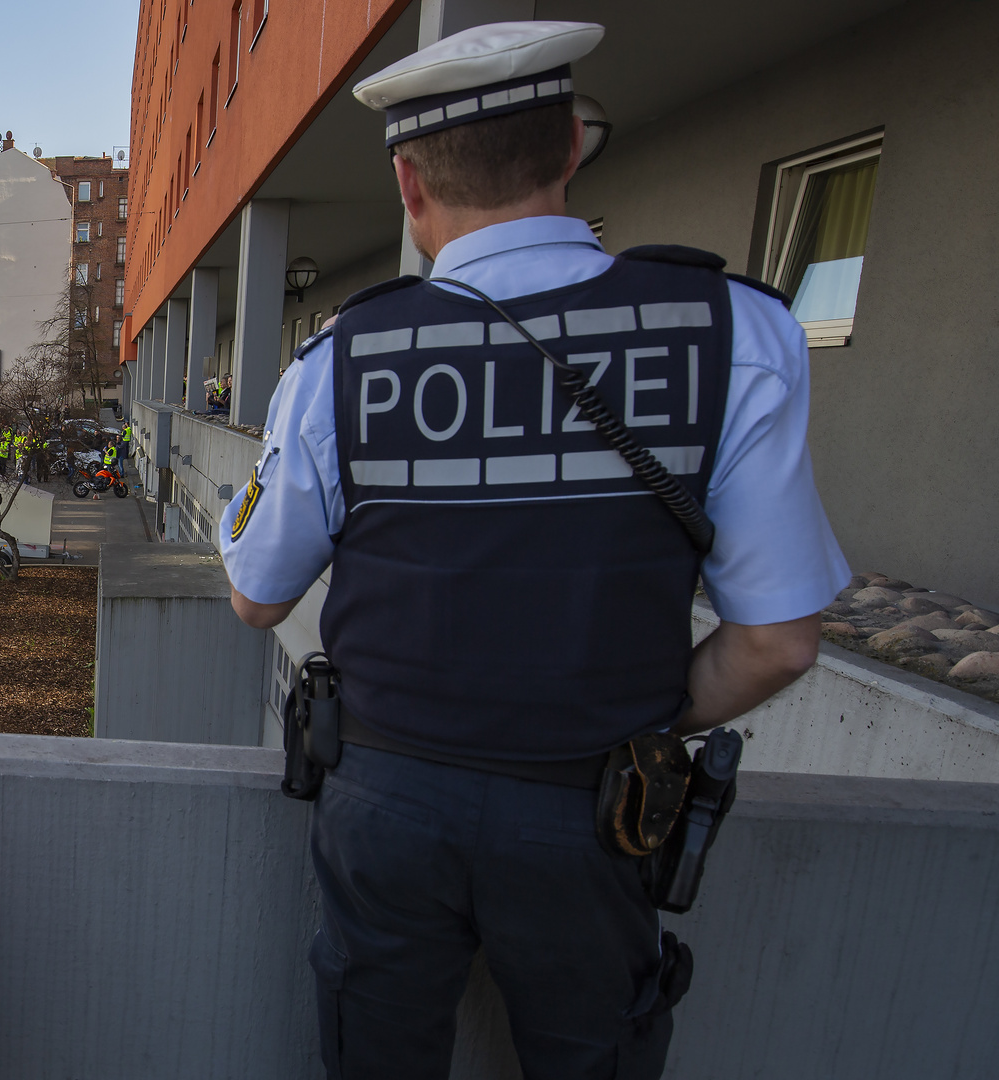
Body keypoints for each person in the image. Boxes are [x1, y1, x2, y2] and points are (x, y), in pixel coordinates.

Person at [217, 23, 846, 1079]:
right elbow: (778, 641)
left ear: (408, 190)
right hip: (595, 805)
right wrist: (639, 714)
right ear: (567, 148)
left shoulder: (340, 359)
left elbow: (253, 596)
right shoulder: (727, 332)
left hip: (383, 800)